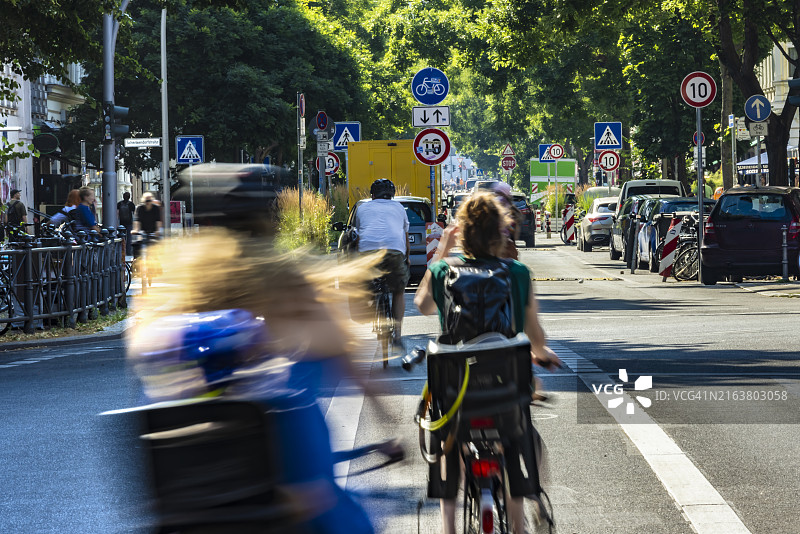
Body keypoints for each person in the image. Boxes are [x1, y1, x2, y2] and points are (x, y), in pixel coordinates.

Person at [127, 165, 399, 534]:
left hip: (198, 489)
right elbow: (337, 351)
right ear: (270, 215)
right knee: (342, 519)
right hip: (287, 474)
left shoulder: (180, 275)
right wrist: (388, 420)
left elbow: (141, 344)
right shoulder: (283, 273)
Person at [414, 192, 561, 534]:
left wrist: (442, 252)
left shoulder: (442, 270)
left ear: (461, 233)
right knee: (520, 439)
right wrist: (542, 353)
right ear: (502, 232)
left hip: (454, 392)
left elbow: (422, 306)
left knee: (447, 444)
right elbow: (533, 332)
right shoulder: (518, 272)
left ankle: (448, 527)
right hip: (504, 388)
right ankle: (521, 522)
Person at [353, 179, 410, 350]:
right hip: (394, 252)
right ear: (392, 195)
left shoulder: (362, 208)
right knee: (399, 292)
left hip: (368, 253)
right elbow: (405, 238)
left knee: (365, 285)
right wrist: (407, 258)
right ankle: (398, 336)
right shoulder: (399, 207)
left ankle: (370, 304)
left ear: (372, 195)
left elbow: (358, 234)